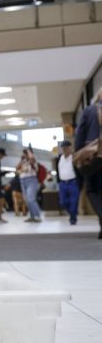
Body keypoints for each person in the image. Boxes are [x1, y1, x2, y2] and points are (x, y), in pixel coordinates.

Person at [74, 88, 102, 239]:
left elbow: (80, 134)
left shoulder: (90, 110)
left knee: (92, 190)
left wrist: (79, 153)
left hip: (94, 155)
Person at [55, 140, 80, 226]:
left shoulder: (74, 157)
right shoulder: (59, 158)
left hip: (73, 182)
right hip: (63, 183)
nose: (64, 150)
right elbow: (58, 171)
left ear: (70, 148)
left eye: (66, 148)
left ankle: (73, 218)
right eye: (63, 148)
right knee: (63, 202)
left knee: (74, 201)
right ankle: (73, 214)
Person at [17, 148, 44, 223]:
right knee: (26, 199)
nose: (24, 154)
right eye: (23, 153)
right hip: (22, 180)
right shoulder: (23, 161)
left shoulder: (33, 160)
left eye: (26, 153)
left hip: (32, 180)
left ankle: (37, 216)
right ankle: (32, 216)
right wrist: (21, 159)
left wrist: (28, 151)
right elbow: (17, 168)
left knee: (31, 198)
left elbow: (32, 158)